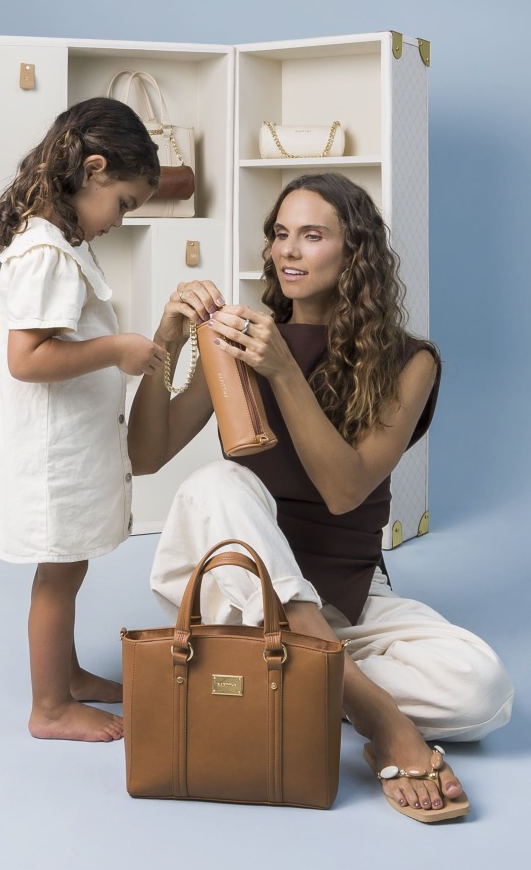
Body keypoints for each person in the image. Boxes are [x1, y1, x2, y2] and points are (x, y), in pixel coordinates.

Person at [128, 172, 513, 820]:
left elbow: (344, 491)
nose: (288, 250)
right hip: (244, 590)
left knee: (485, 691)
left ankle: (301, 671)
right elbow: (145, 456)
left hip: (350, 594)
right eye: (281, 234)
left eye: (312, 235)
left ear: (354, 250)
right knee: (217, 483)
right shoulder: (238, 341)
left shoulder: (410, 361)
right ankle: (376, 713)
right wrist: (166, 339)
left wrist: (282, 369)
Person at [0, 98, 166, 743]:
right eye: (124, 204)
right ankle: (50, 707)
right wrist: (117, 350)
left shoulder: (58, 241)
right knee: (58, 575)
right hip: (50, 458)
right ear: (93, 169)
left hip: (64, 448)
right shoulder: (47, 252)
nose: (120, 220)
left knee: (68, 566)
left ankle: (68, 675)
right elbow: (26, 359)